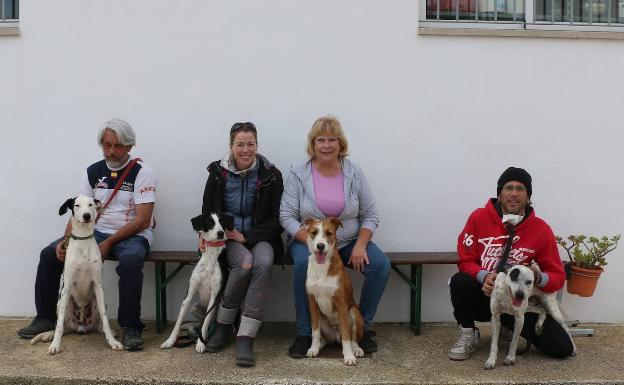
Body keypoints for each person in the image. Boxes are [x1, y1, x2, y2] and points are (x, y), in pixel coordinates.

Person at [17, 118, 157, 351]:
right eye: (107, 145)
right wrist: (65, 242)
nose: (111, 151)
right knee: (49, 254)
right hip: (97, 232)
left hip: (133, 234)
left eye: (118, 146)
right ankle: (44, 318)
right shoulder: (93, 171)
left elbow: (142, 219)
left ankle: (131, 327)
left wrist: (109, 243)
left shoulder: (143, 173)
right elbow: (78, 210)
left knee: (131, 260)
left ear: (130, 146)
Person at [280, 115, 390, 358]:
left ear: (340, 144)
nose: (326, 145)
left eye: (332, 139)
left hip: (348, 241)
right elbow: (286, 215)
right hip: (307, 241)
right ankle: (304, 333)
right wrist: (311, 241)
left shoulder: (353, 172)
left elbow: (371, 213)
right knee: (301, 266)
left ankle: (360, 327)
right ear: (313, 144)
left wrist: (361, 245)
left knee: (380, 265)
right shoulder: (298, 173)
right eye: (321, 140)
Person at [448, 166, 575, 361]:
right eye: (508, 188)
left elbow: (557, 276)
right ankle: (468, 334)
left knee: (561, 348)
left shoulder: (541, 229)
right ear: (499, 193)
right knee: (460, 281)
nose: (514, 193)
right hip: (485, 296)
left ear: (528, 196)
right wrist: (484, 276)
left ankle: (508, 327)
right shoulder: (478, 217)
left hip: (518, 303)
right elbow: (465, 260)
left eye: (520, 188)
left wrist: (539, 277)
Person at [200, 122, 284, 367]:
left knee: (264, 262)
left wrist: (247, 237)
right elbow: (207, 210)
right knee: (245, 263)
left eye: (250, 144)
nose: (245, 150)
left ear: (257, 145)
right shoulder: (218, 173)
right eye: (240, 144)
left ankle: (246, 336)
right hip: (226, 237)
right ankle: (224, 326)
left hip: (261, 237)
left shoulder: (271, 174)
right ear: (231, 146)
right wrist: (207, 234)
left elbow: (278, 219)